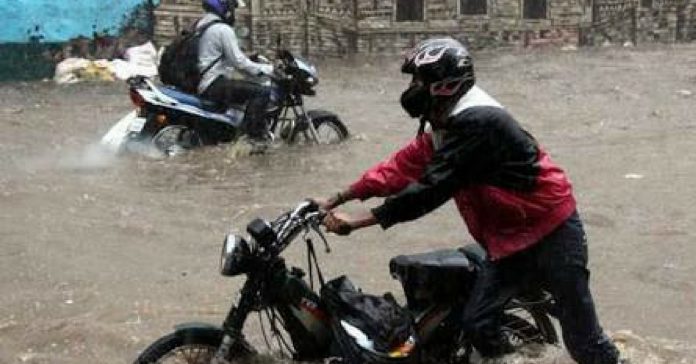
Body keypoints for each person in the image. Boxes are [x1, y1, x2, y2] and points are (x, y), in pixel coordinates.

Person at [317, 38, 623, 364]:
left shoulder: (478, 122)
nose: (412, 89)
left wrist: (360, 220)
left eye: (419, 81)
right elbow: (398, 169)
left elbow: (431, 188)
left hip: (552, 232)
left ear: (445, 85)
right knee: (477, 322)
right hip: (507, 240)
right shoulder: (443, 123)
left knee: (584, 342)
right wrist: (337, 198)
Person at [197, 0, 275, 145]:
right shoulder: (222, 29)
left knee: (244, 89)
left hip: (206, 83)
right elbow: (239, 63)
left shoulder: (202, 26)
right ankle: (251, 139)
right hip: (214, 83)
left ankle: (235, 131)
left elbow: (223, 56)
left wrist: (249, 59)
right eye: (233, 8)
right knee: (261, 92)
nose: (234, 13)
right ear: (225, 7)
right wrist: (269, 69)